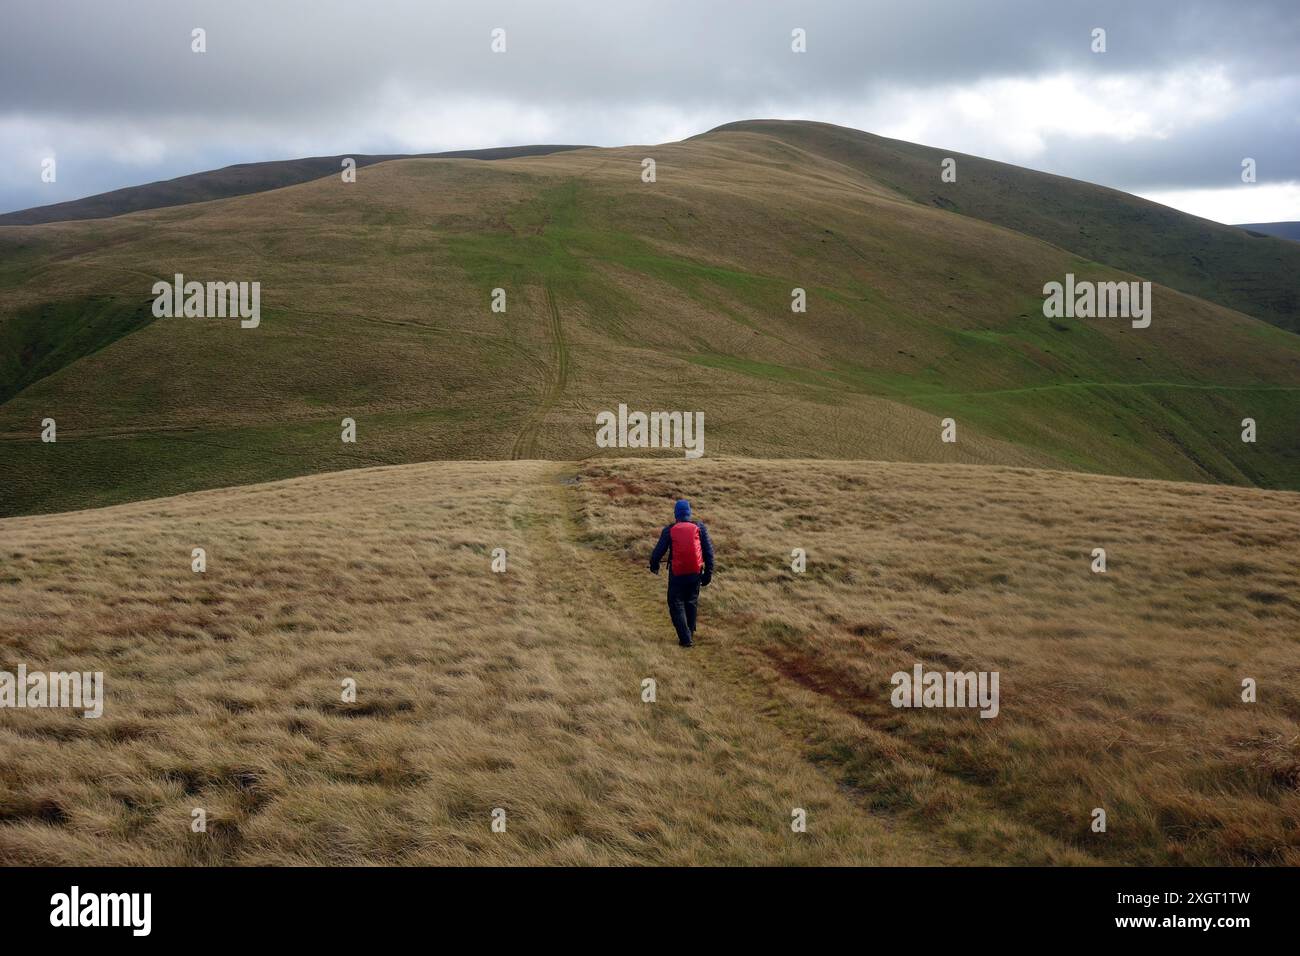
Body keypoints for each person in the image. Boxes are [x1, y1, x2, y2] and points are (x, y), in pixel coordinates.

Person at [649, 499, 714, 648]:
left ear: (676, 514)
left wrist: (654, 566)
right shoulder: (700, 528)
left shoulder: (669, 530)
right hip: (695, 573)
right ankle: (689, 634)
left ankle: (685, 639)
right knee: (691, 601)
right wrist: (708, 573)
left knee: (676, 602)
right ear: (689, 513)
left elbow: (658, 551)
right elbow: (709, 552)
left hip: (677, 574)